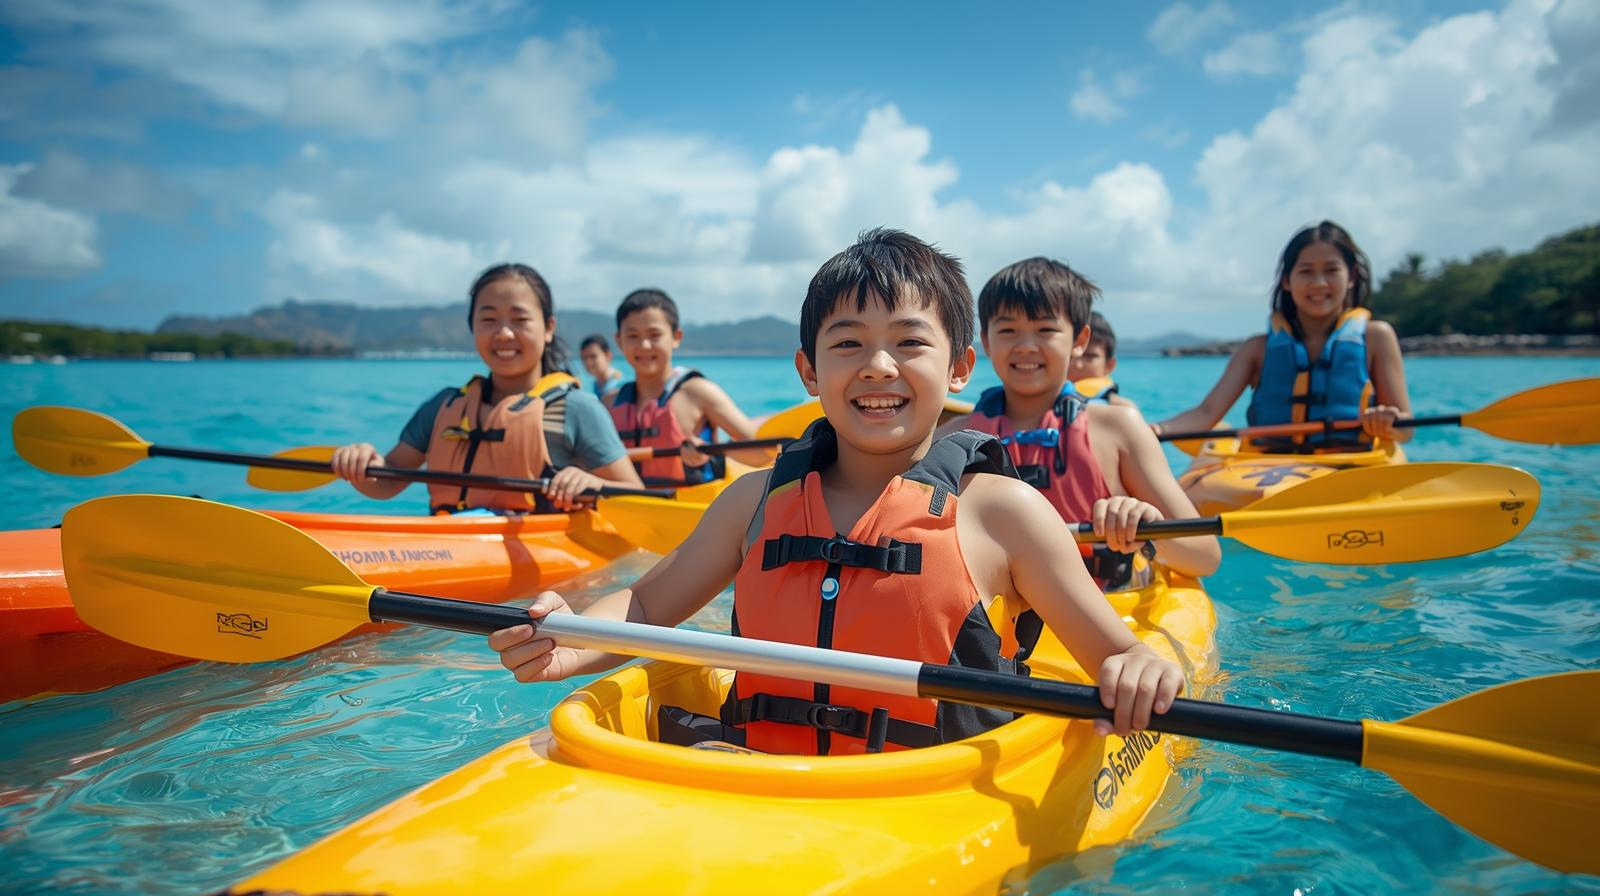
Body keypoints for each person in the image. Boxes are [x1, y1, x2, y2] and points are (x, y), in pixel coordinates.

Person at [490, 228, 1184, 755]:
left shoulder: (1004, 513)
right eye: (847, 344)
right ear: (808, 371)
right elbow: (645, 601)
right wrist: (569, 642)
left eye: (910, 343)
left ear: (960, 368)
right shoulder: (753, 502)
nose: (879, 367)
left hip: (927, 801)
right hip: (761, 778)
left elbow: (1118, 655)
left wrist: (1143, 672)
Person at [939, 258, 1219, 587]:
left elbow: (1205, 555)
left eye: (1045, 330)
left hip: (1111, 604)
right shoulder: (953, 439)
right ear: (985, 340)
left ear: (1080, 340)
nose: (1026, 346)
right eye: (1008, 330)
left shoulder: (1119, 429)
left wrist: (1145, 528)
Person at [330, 263, 644, 513]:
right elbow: (386, 481)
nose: (504, 333)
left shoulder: (577, 408)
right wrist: (362, 463)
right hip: (452, 545)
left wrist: (592, 483)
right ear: (473, 327)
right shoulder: (444, 406)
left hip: (549, 577)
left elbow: (638, 497)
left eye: (520, 319)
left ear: (548, 328)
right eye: (489, 319)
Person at [1153, 221, 1412, 449]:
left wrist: (1386, 420)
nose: (1319, 283)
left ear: (1352, 276)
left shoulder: (1377, 337)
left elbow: (1405, 429)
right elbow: (1206, 413)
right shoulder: (1257, 349)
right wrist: (1157, 431)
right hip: (1272, 464)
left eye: (1331, 270)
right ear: (1287, 281)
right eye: (1306, 271)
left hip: (1353, 462)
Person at [604, 288, 768, 485]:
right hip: (630, 510)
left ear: (676, 337)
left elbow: (762, 453)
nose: (644, 345)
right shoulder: (609, 403)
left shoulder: (698, 392)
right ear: (618, 340)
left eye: (654, 335)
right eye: (632, 336)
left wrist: (712, 452)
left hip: (690, 510)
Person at [1069, 311, 1138, 409]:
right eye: (1072, 354)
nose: (1078, 364)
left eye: (1090, 357)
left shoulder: (1122, 409)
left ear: (1109, 366)